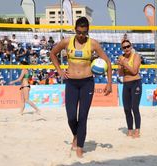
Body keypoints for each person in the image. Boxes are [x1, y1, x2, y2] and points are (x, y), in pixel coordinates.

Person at [50, 16, 112, 158]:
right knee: (71, 117)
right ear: (75, 30)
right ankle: (76, 135)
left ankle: (80, 146)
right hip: (71, 82)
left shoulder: (93, 44)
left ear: (88, 31)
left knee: (82, 116)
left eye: (84, 33)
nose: (81, 35)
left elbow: (107, 62)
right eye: (79, 32)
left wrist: (109, 83)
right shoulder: (67, 42)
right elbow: (53, 53)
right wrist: (59, 70)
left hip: (87, 83)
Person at [117, 39, 142, 138]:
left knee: (134, 108)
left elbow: (134, 71)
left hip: (136, 83)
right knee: (127, 109)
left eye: (128, 46)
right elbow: (121, 74)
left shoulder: (136, 56)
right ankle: (130, 130)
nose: (126, 48)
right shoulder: (121, 57)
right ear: (122, 49)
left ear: (131, 46)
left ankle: (137, 130)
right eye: (124, 47)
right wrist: (120, 67)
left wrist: (124, 64)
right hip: (126, 84)